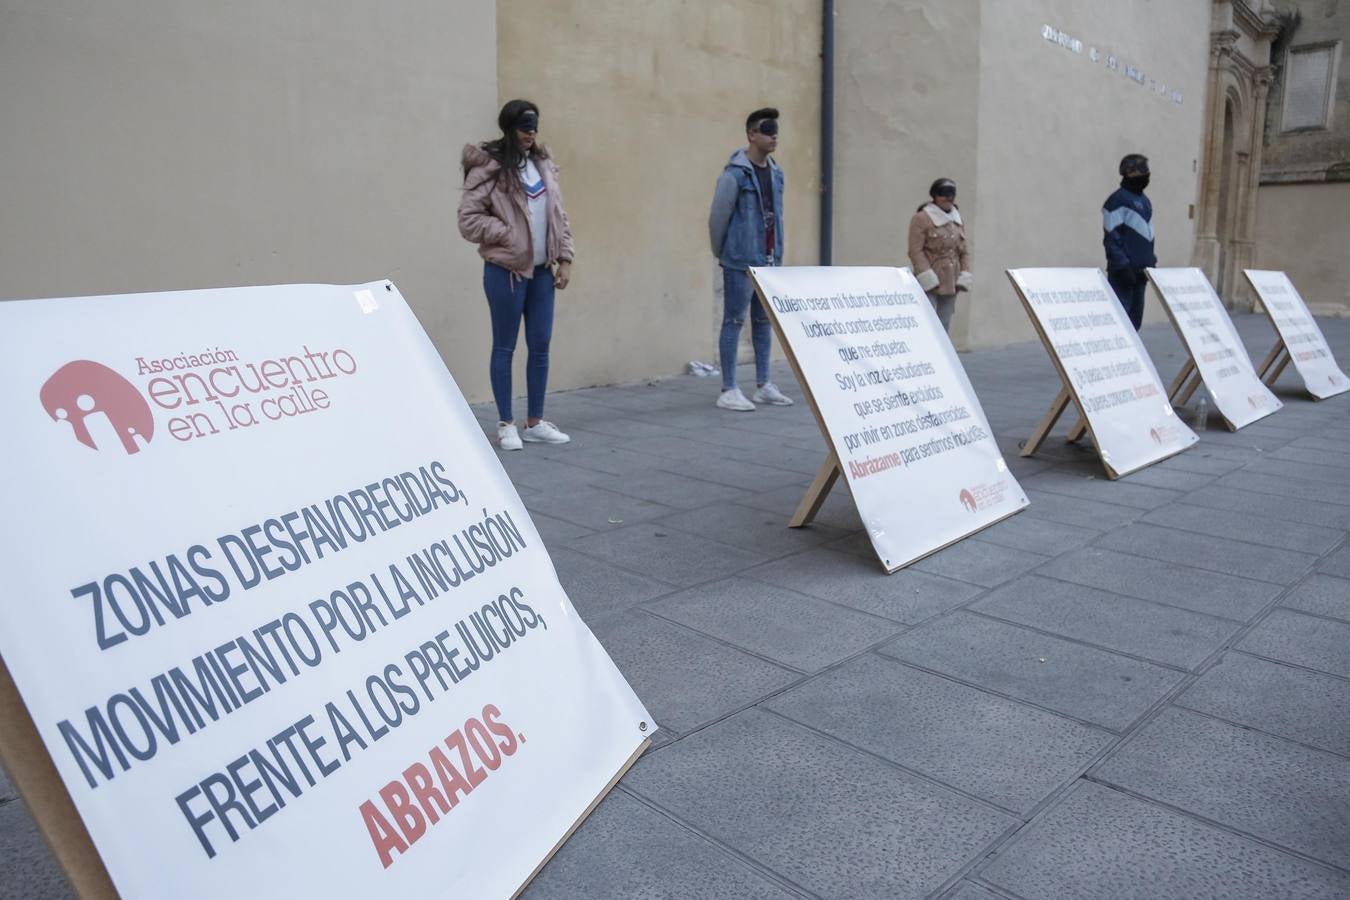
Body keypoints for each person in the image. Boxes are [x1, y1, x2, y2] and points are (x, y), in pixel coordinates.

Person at [458, 99, 575, 450]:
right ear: (510, 127)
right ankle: (506, 423)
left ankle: (535, 421)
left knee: (540, 345)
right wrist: (508, 232)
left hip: (541, 272)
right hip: (505, 272)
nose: (531, 134)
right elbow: (468, 219)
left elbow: (559, 216)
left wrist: (565, 257)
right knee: (505, 346)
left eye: (535, 127)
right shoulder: (491, 168)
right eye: (525, 127)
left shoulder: (543, 164)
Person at [707, 107, 793, 411]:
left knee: (763, 320)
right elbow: (718, 218)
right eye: (767, 130)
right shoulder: (734, 174)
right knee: (734, 319)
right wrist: (727, 254)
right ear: (751, 134)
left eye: (776, 131)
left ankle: (763, 384)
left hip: (768, 260)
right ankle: (728, 388)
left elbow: (777, 215)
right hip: (740, 259)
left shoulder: (776, 172)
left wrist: (778, 252)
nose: (774, 136)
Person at [907, 178, 971, 333]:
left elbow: (963, 251)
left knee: (944, 322)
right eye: (944, 194)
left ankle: (943, 354)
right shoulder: (922, 218)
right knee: (927, 321)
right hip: (930, 277)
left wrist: (965, 273)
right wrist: (927, 276)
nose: (948, 198)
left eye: (952, 194)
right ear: (935, 196)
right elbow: (915, 251)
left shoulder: (957, 219)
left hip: (951, 280)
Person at [1102, 153, 1156, 330]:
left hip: (1140, 274)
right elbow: (1112, 237)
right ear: (1128, 173)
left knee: (1134, 323)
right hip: (1124, 274)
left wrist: (1150, 260)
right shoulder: (1117, 200)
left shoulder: (1145, 201)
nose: (1145, 177)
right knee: (1120, 323)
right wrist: (1122, 266)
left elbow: (1147, 234)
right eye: (1141, 172)